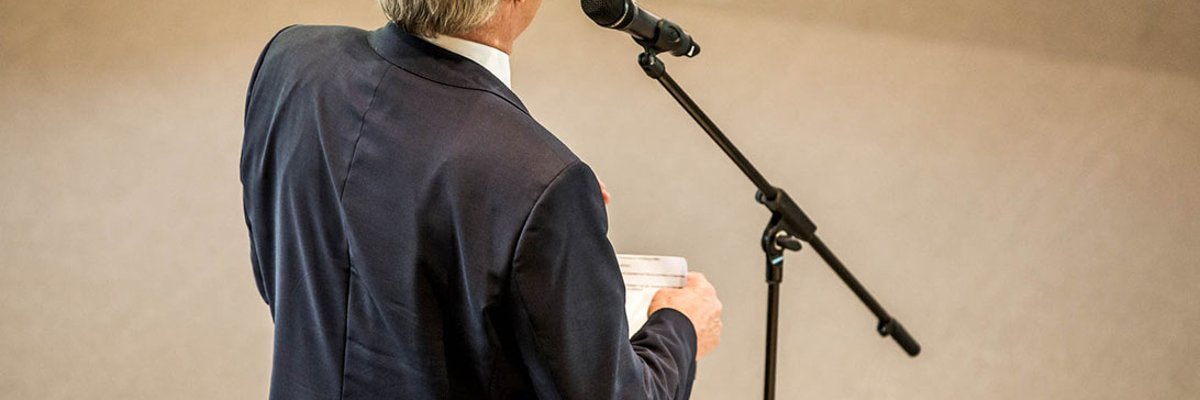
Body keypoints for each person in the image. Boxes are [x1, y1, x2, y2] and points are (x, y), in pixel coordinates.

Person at [240, 0, 723, 398]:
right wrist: (679, 328)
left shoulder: (292, 60)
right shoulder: (538, 176)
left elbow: (281, 276)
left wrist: (522, 215)